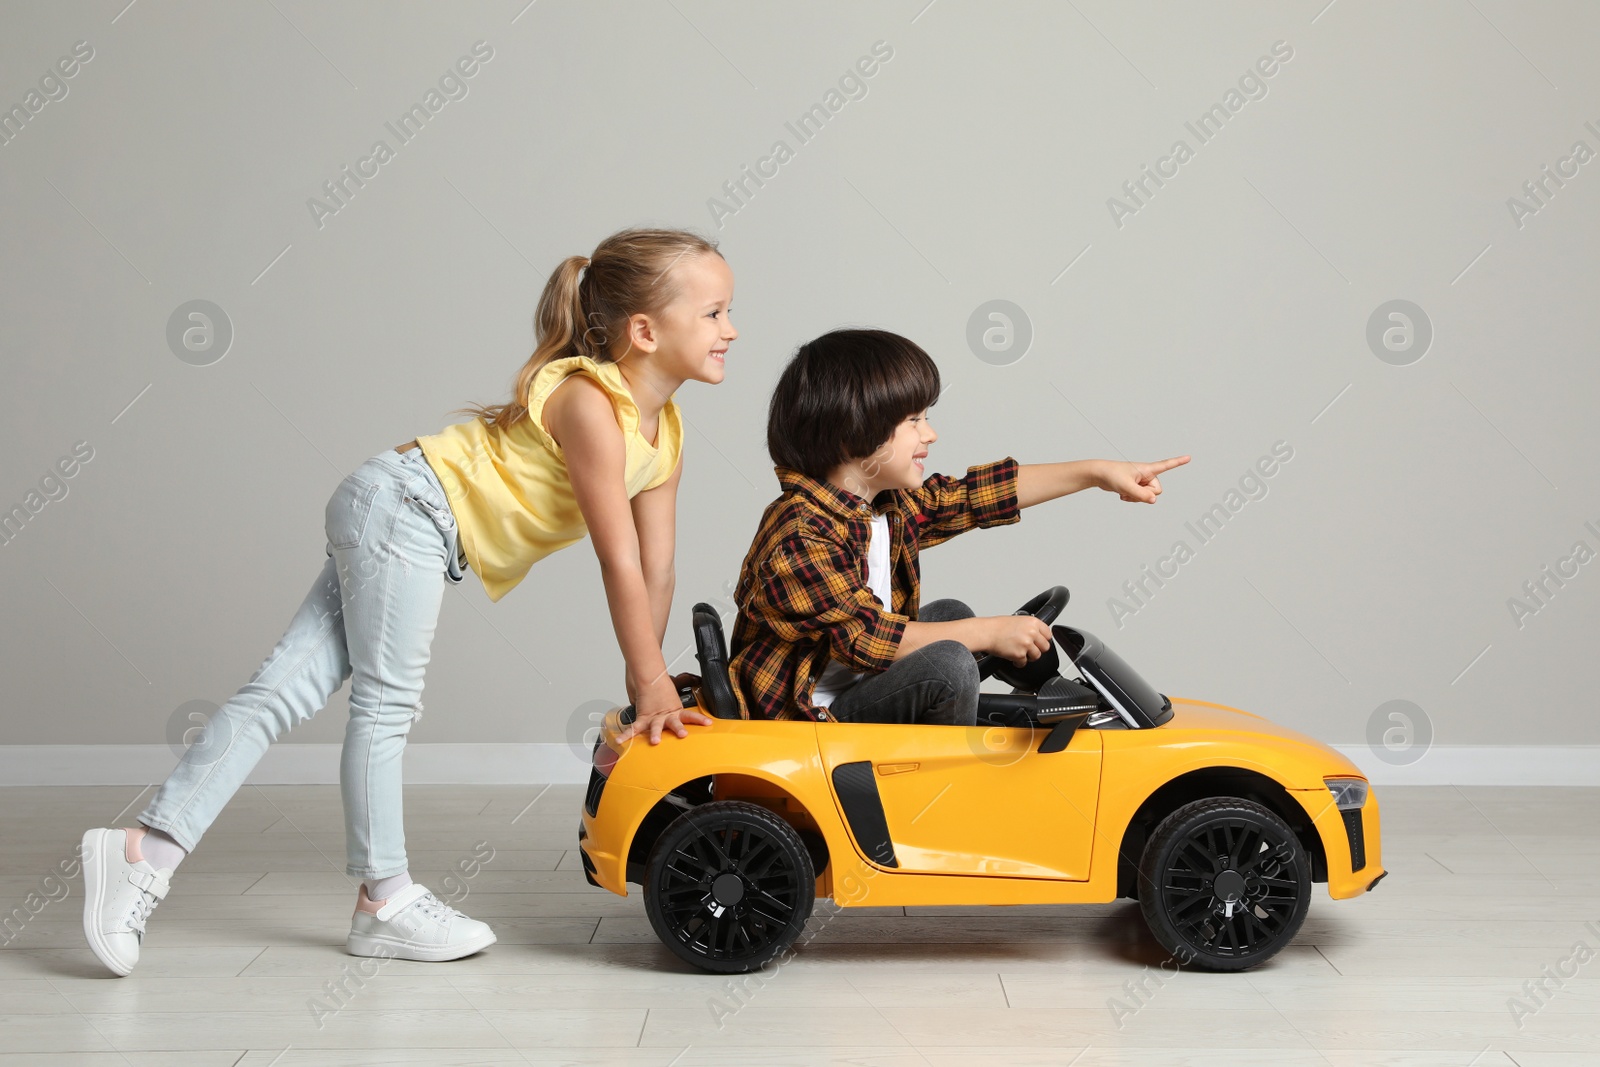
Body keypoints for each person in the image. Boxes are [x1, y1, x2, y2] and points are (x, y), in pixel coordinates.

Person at [80, 227, 733, 976]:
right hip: (408, 507)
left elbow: (657, 569)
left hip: (400, 510)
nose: (731, 329)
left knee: (278, 694)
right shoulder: (591, 401)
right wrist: (649, 676)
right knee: (387, 703)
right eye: (714, 312)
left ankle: (143, 851)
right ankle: (383, 899)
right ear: (645, 331)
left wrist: (641, 684)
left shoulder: (668, 433)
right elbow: (614, 557)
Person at [727, 328, 1188, 724]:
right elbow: (865, 636)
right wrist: (989, 633)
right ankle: (941, 798)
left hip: (848, 688)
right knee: (949, 661)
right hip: (807, 720)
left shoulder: (885, 507)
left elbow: (973, 497)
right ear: (852, 429)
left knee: (951, 616)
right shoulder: (802, 532)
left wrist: (1095, 473)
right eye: (914, 420)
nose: (930, 434)